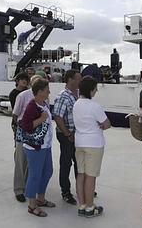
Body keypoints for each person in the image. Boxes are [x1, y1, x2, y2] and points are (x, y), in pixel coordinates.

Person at [73, 76, 111, 218]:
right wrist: (100, 125)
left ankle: (82, 205)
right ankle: (90, 207)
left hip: (79, 142)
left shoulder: (76, 104)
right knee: (91, 176)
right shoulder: (94, 106)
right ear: (90, 90)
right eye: (95, 88)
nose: (96, 91)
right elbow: (107, 124)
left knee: (81, 174)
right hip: (94, 144)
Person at [20, 79, 56, 218]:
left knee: (47, 171)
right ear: (40, 92)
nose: (49, 92)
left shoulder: (43, 103)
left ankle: (41, 198)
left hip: (45, 145)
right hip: (35, 147)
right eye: (47, 90)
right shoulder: (31, 106)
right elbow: (26, 126)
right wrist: (42, 118)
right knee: (35, 175)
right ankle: (32, 204)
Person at [52, 69, 82, 205]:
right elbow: (57, 117)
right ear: (70, 79)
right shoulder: (63, 96)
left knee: (79, 163)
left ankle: (81, 188)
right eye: (78, 78)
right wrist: (68, 134)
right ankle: (66, 192)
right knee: (66, 164)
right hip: (67, 136)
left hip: (78, 136)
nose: (80, 81)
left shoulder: (79, 95)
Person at [12, 75, 40, 202]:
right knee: (21, 161)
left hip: (37, 132)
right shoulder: (22, 96)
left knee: (31, 161)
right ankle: (19, 189)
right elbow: (15, 114)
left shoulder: (43, 97)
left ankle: (29, 186)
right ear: (31, 83)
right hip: (23, 131)